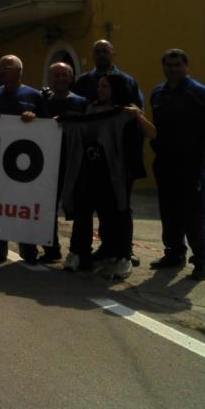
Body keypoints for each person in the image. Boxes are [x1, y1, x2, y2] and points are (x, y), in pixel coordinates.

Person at [59, 74, 155, 279]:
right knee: (83, 211)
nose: (100, 90)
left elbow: (152, 133)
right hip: (89, 170)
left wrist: (138, 115)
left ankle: (123, 257)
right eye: (99, 86)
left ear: (115, 89)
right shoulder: (90, 109)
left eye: (105, 86)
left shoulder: (125, 112)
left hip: (115, 172)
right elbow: (79, 129)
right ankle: (78, 253)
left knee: (118, 213)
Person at [73, 40, 145, 265]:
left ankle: (125, 249)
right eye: (98, 51)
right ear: (92, 55)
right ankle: (106, 247)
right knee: (101, 205)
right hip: (93, 158)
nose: (102, 54)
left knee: (121, 205)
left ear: (113, 53)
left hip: (121, 157)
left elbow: (137, 114)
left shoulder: (127, 81)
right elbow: (78, 115)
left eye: (106, 51)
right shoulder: (83, 81)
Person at [0, 55, 48, 264]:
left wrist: (34, 119)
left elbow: (48, 127)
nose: (2, 71)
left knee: (24, 206)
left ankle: (29, 249)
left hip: (24, 164)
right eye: (0, 68)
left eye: (7, 67)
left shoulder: (34, 96)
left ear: (19, 71)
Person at [149, 49, 205, 280]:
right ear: (164, 67)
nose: (173, 69)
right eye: (169, 65)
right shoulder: (157, 94)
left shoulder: (201, 94)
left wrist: (197, 149)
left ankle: (202, 259)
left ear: (186, 67)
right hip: (165, 163)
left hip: (191, 164)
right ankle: (174, 253)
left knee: (194, 213)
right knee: (169, 210)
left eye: (177, 65)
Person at [39, 62, 88, 263]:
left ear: (71, 78)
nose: (60, 78)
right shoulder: (42, 101)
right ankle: (51, 250)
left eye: (64, 75)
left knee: (79, 209)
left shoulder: (82, 103)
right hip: (47, 163)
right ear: (50, 78)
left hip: (74, 163)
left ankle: (79, 251)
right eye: (56, 75)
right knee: (47, 208)